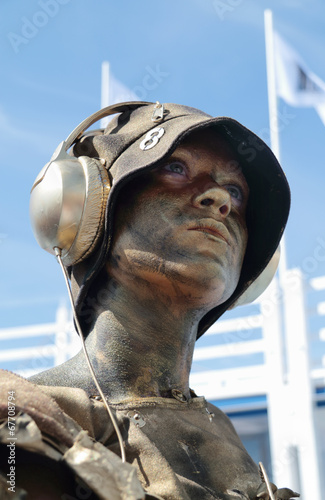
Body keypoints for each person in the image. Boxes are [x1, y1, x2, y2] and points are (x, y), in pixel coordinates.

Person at [0, 102, 299, 499]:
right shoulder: (17, 422)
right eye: (176, 169)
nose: (218, 199)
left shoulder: (227, 441)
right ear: (92, 209)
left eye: (235, 192)